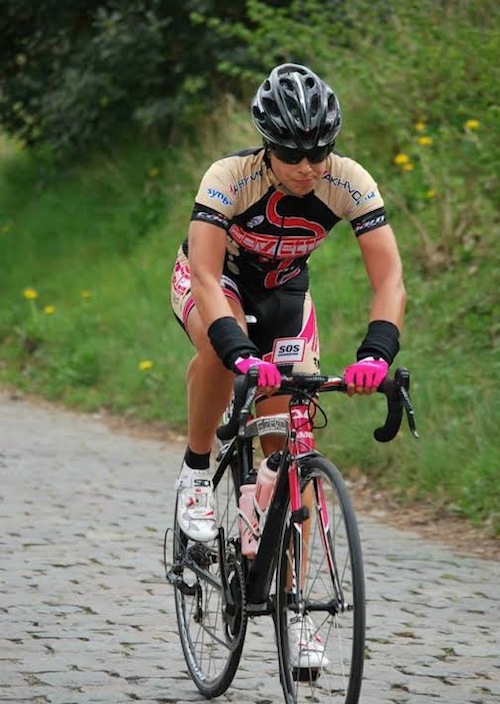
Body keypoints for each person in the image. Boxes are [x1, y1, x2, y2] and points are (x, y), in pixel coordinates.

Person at [170, 63, 405, 667]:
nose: (308, 166)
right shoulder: (229, 177)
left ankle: (295, 604)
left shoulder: (349, 181)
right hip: (216, 282)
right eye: (292, 153)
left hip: (284, 294)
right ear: (266, 145)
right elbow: (202, 272)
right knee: (222, 357)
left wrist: (376, 353)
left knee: (289, 452)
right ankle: (198, 473)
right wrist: (239, 348)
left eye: (319, 151)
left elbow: (390, 278)